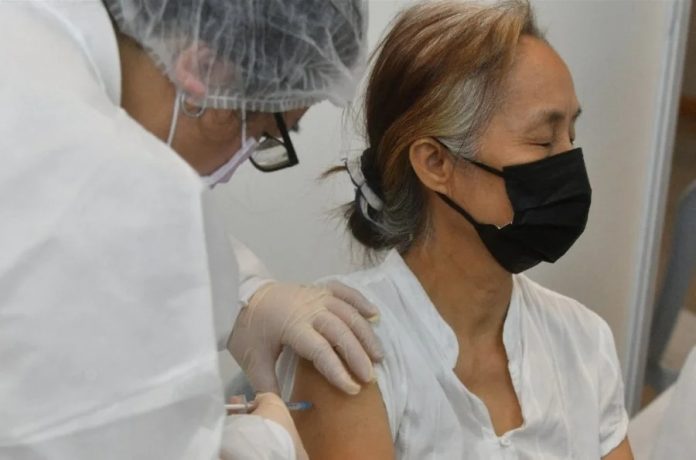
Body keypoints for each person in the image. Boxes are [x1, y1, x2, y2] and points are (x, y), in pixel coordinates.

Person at [0, 0, 384, 458]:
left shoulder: (33, 39)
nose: (238, 164)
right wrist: (258, 445)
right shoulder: (108, 181)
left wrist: (246, 295)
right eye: (263, 134)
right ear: (204, 69)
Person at [278, 1, 634, 458]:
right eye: (544, 140)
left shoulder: (584, 341)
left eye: (571, 137)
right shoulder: (349, 344)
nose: (569, 165)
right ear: (435, 162)